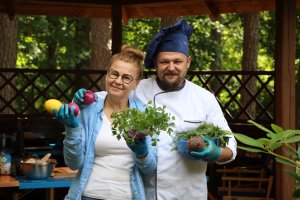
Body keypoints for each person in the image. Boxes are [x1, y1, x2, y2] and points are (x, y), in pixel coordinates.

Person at [74, 19, 237, 200]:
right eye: (164, 61)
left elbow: (230, 147)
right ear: (156, 63)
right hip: (146, 193)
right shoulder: (138, 87)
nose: (171, 67)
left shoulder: (204, 98)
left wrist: (215, 152)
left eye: (177, 61)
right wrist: (83, 98)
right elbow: (109, 95)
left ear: (188, 62)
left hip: (188, 194)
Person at [54, 45, 157, 200]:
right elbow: (73, 163)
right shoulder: (88, 110)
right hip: (87, 196)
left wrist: (142, 153)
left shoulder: (143, 115)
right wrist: (72, 128)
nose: (117, 81)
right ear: (107, 74)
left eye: (126, 77)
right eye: (113, 74)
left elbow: (149, 169)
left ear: (136, 83)